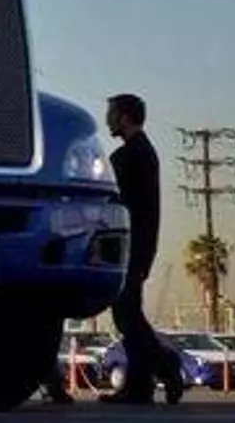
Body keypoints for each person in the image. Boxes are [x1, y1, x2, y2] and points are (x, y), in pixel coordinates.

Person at [98, 93, 186, 405]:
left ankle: (166, 365)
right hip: (140, 244)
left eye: (112, 114)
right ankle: (139, 385)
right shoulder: (143, 152)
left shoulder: (130, 156)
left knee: (126, 314)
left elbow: (110, 198)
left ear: (124, 117)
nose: (108, 120)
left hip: (128, 246)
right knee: (128, 312)